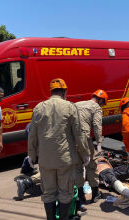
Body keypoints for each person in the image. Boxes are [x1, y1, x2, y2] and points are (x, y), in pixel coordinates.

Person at [28, 78, 90, 220]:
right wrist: (85, 154)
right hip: (65, 159)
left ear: (51, 91)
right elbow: (79, 134)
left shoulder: (39, 107)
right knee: (65, 192)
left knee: (48, 192)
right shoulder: (70, 107)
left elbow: (32, 135)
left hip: (45, 160)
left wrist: (31, 155)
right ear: (64, 91)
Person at [74, 89, 108, 207]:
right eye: (103, 103)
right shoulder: (96, 107)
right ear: (100, 100)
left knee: (77, 167)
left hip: (72, 140)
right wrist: (99, 143)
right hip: (84, 139)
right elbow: (97, 126)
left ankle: (80, 196)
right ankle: (95, 194)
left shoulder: (77, 104)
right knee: (92, 165)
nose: (102, 106)